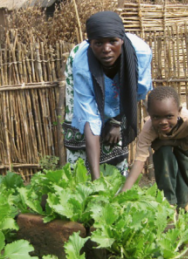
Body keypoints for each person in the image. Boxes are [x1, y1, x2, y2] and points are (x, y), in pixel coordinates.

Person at [63, 11, 152, 180]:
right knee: (81, 134)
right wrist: (96, 181)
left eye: (113, 41)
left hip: (122, 95)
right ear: (90, 43)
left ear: (122, 40)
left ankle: (117, 183)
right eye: (98, 43)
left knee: (114, 138)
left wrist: (117, 122)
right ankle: (88, 180)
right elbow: (89, 117)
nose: (106, 49)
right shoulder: (81, 64)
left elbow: (136, 92)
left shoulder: (141, 54)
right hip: (87, 88)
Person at [121, 86, 188, 213]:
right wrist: (124, 191)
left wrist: (167, 141)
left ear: (179, 111)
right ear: (149, 113)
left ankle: (184, 201)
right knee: (164, 157)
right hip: (163, 148)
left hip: (184, 142)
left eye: (169, 116)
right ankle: (169, 202)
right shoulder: (148, 130)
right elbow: (140, 161)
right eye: (156, 117)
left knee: (186, 168)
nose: (163, 122)